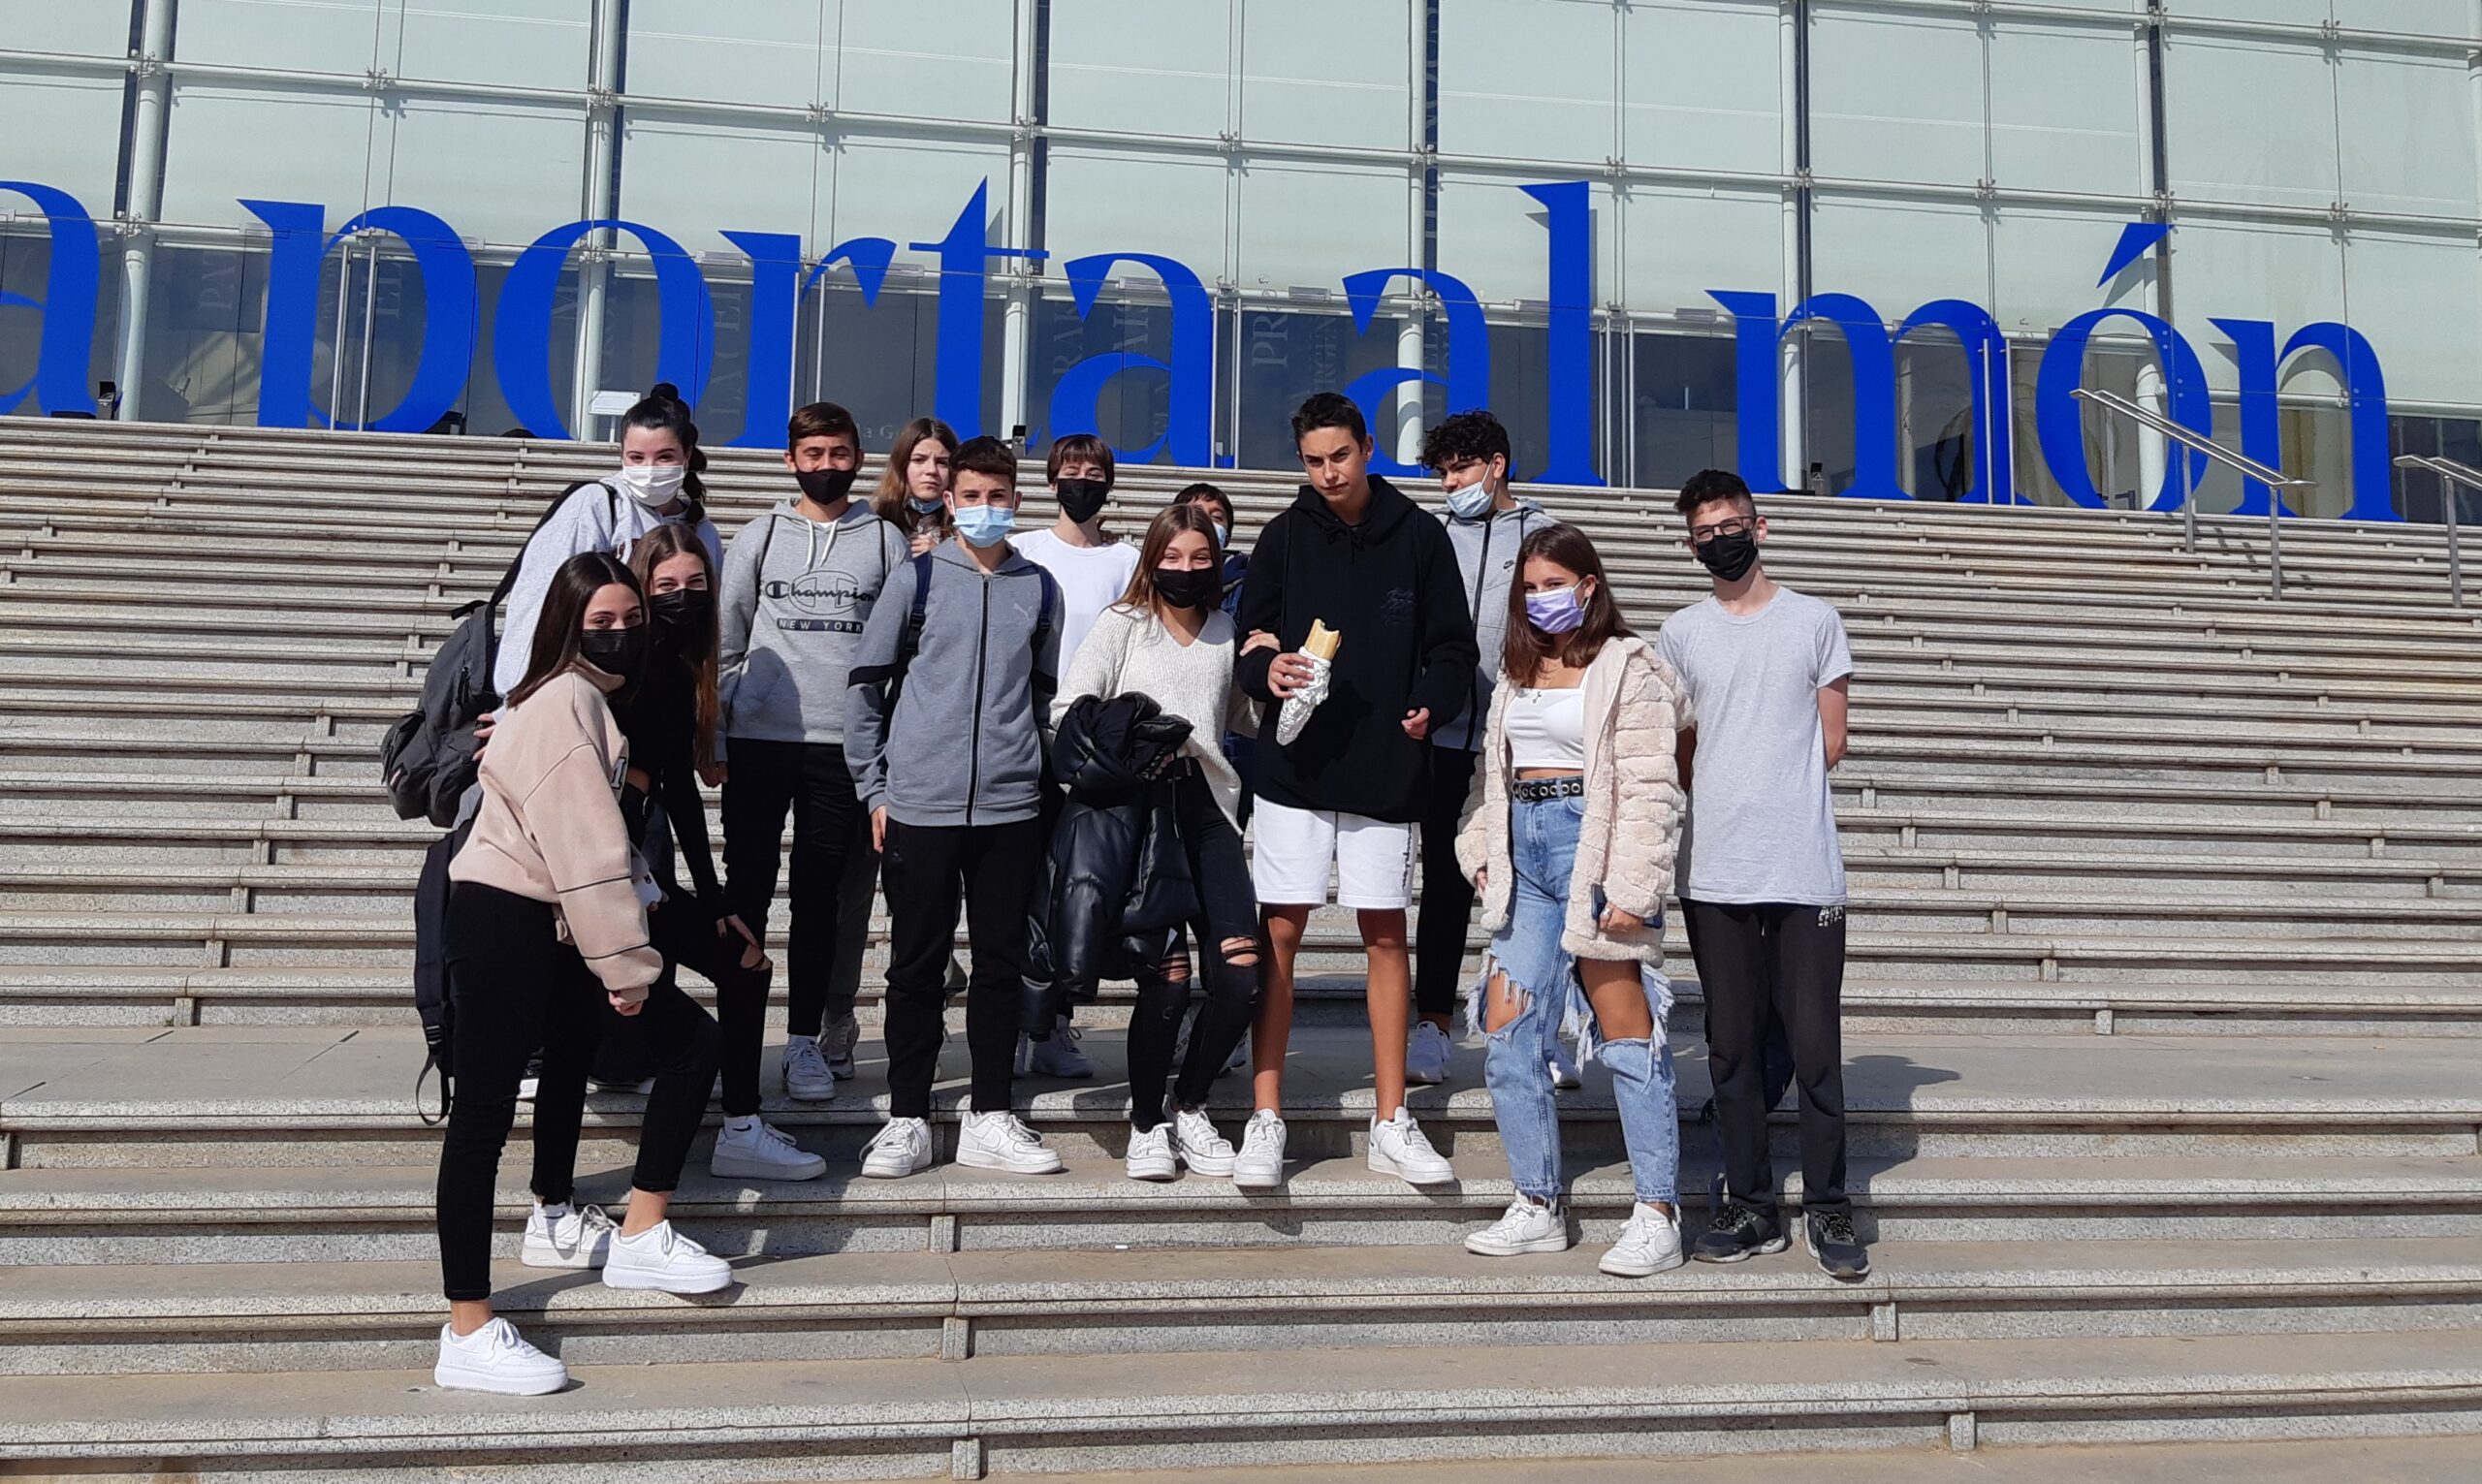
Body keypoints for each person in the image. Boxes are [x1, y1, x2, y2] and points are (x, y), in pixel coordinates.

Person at [432, 553, 730, 1396]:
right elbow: (587, 850)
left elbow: (606, 851)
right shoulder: (566, 701)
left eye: (631, 619)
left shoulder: (578, 700)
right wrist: (628, 967)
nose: (622, 633)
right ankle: (467, 1328)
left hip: (546, 919)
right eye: (601, 621)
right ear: (566, 625)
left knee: (684, 1044)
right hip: (505, 916)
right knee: (483, 1116)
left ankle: (636, 1234)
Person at [1233, 393, 1480, 1190]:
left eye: (1340, 455)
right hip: (1292, 771)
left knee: (1385, 937)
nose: (1328, 472)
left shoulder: (1421, 535)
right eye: (1314, 460)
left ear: (1369, 447)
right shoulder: (1282, 535)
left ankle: (1390, 1118)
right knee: (1280, 933)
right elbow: (1250, 638)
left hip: (1386, 769)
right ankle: (1265, 1115)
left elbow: (1454, 648)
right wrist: (1265, 671)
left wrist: (1432, 702)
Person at [1455, 524, 1688, 1277]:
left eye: (1553, 584)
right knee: (1507, 1030)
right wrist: (1482, 848)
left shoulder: (1628, 665)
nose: (1540, 598)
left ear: (1589, 585)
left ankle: (1658, 1211)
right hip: (1524, 856)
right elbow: (1495, 774)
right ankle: (1537, 1201)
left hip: (1593, 848)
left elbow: (1652, 782)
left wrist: (1634, 885)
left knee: (1626, 1034)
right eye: (1529, 587)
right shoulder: (1518, 668)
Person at [1659, 468, 1865, 1281]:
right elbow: (1681, 748)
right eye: (1705, 532)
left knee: (1815, 1049)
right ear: (1691, 544)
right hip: (1715, 870)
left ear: (1760, 525)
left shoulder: (1816, 621)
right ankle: (1748, 1202)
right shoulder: (1680, 633)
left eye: (1730, 525)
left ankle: (1828, 1204)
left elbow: (1832, 739)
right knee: (1732, 1048)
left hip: (1804, 868)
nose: (1721, 540)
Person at [846, 434, 1065, 1179]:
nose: (984, 507)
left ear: (1017, 499)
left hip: (1009, 808)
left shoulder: (1040, 589)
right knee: (916, 966)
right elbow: (866, 687)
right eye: (970, 496)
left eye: (996, 496)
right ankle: (907, 1115)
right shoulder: (916, 581)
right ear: (949, 499)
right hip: (920, 805)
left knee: (1000, 964)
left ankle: (991, 1112)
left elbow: (1040, 696)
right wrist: (874, 787)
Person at [1050, 503, 1262, 1181]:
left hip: (1209, 811)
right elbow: (1068, 708)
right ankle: (1146, 1122)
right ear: (1151, 559)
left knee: (1240, 975)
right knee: (1166, 979)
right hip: (1137, 812)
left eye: (1200, 558)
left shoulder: (1226, 629)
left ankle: (1190, 1103)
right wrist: (1134, 736)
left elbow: (1243, 720)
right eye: (1172, 556)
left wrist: (1281, 680)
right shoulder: (1123, 622)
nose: (1185, 569)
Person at [716, 402, 910, 1110]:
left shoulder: (885, 540)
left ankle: (804, 1039)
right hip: (759, 741)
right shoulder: (761, 534)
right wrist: (717, 731)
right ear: (790, 459)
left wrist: (882, 752)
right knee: (745, 893)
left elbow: (901, 647)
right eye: (814, 454)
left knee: (820, 899)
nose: (827, 466)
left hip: (843, 748)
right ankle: (738, 1035)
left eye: (839, 453)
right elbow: (725, 637)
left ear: (858, 457)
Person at [616, 525, 823, 1183]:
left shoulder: (683, 668)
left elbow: (679, 788)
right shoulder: (623, 665)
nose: (683, 597)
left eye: (696, 583)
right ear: (641, 587)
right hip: (598, 867)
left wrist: (714, 901)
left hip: (635, 862)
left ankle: (741, 1126)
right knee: (691, 1017)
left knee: (745, 961)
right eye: (666, 585)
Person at [1412, 409, 1559, 1091]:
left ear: (1496, 465)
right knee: (1445, 886)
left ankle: (1542, 1027)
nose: (1450, 483)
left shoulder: (1545, 535)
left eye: (1461, 468)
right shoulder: (1429, 535)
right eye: (1442, 472)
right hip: (1443, 739)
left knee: (1534, 886)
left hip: (1521, 740)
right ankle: (1433, 1025)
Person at [1010, 433, 1141, 1080]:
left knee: (1074, 889)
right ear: (1050, 479)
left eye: (1093, 472)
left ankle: (1054, 1023)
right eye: (1071, 470)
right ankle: (1017, 1020)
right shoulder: (1025, 551)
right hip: (1028, 735)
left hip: (1098, 748)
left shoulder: (1129, 559)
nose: (1081, 481)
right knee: (1023, 887)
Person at [492, 388, 722, 698]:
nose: (650, 469)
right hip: (597, 688)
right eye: (636, 457)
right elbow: (539, 599)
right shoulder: (597, 506)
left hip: (670, 692)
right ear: (621, 455)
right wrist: (517, 693)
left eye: (664, 456)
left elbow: (711, 622)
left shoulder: (702, 530)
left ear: (687, 456)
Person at [873, 415, 958, 557]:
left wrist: (941, 555)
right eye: (919, 460)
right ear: (902, 465)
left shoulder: (966, 526)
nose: (931, 470)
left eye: (942, 462)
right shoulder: (875, 520)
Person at [1173, 482, 1248, 617]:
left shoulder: (1247, 585)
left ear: (1227, 538)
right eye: (1197, 514)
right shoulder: (1159, 577)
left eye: (1216, 517)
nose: (1206, 522)